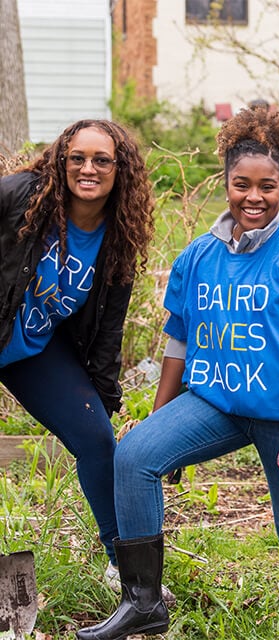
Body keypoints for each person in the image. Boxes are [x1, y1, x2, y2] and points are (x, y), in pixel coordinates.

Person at [75, 106, 279, 640]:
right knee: (133, 456)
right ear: (226, 184)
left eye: (268, 186)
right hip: (218, 403)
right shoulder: (198, 257)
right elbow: (178, 341)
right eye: (242, 184)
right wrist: (160, 418)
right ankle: (145, 602)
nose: (254, 197)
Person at [0, 120, 155, 582]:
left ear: (119, 168)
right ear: (62, 162)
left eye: (101, 159)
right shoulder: (21, 196)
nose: (88, 169)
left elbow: (108, 334)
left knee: (96, 441)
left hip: (32, 351)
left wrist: (101, 403)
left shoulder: (118, 238)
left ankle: (124, 569)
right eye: (78, 158)